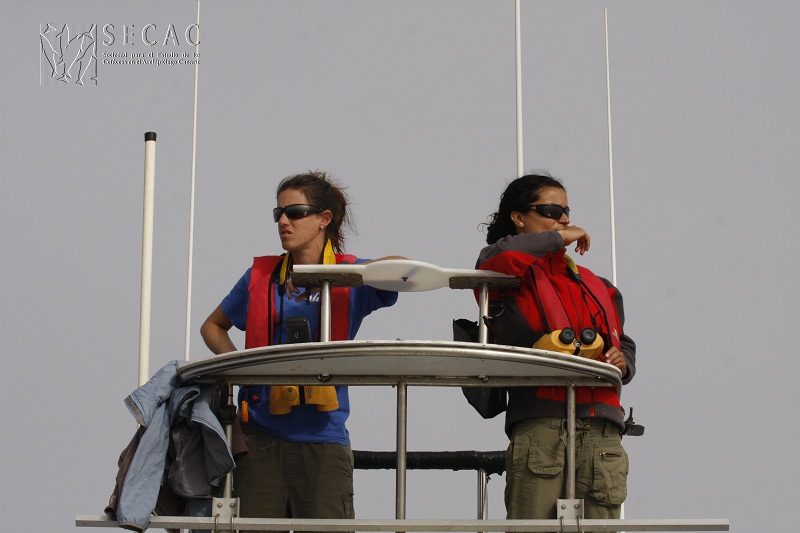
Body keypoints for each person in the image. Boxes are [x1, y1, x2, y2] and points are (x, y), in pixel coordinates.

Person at [201, 171, 402, 530]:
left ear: (325, 218)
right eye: (278, 213)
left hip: (323, 441)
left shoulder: (350, 276)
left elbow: (400, 270)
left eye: (294, 212)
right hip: (258, 441)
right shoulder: (258, 278)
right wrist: (241, 369)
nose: (283, 221)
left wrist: (352, 271)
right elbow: (212, 327)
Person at [475, 173, 636, 520]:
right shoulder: (502, 274)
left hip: (602, 428)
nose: (564, 219)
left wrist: (623, 361)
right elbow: (495, 257)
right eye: (551, 210)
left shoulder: (599, 285)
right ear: (518, 217)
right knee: (531, 527)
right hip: (540, 421)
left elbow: (623, 340)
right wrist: (558, 238)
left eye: (566, 211)